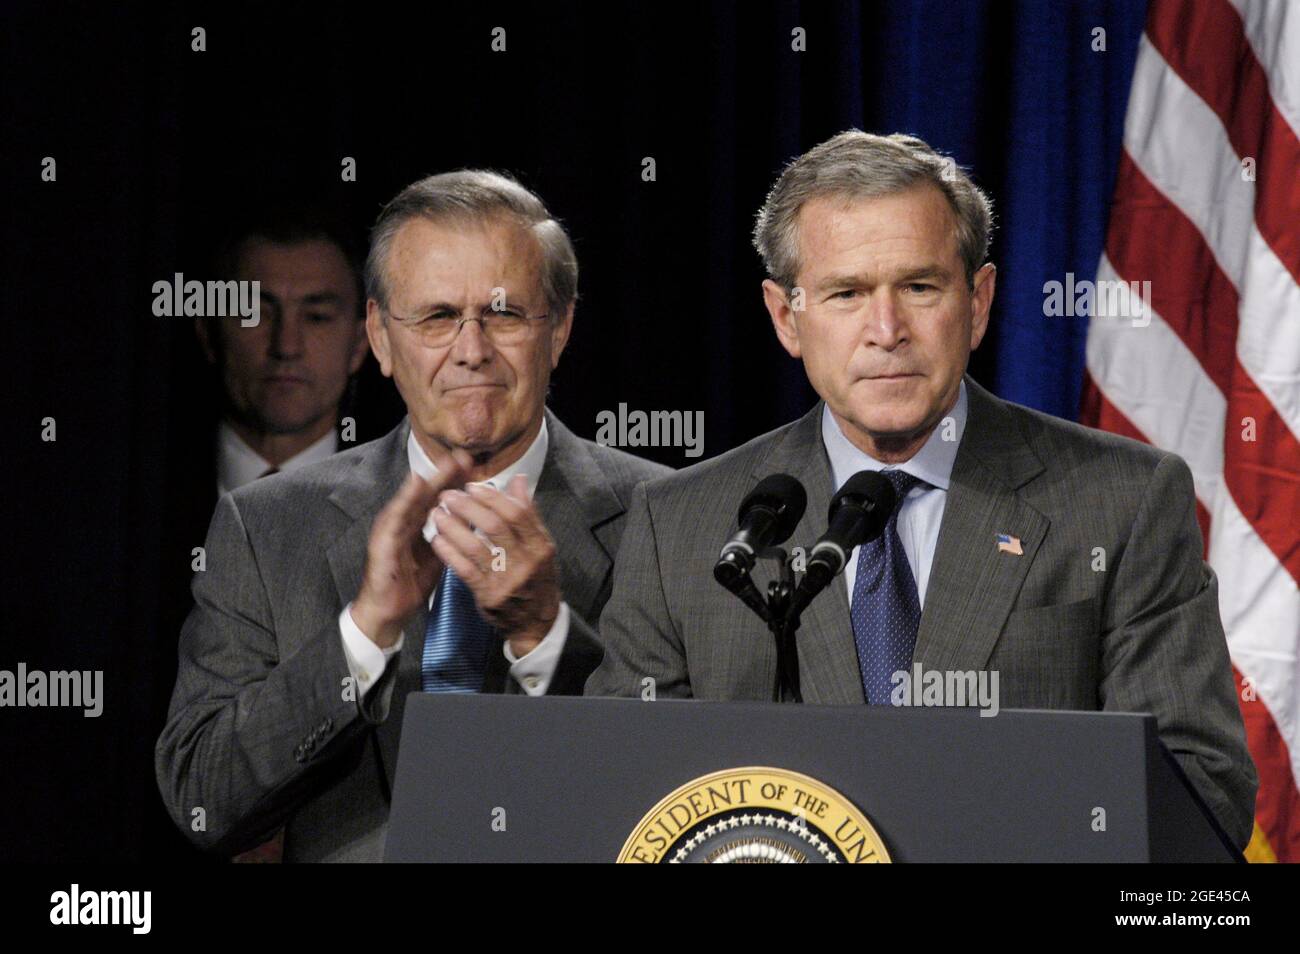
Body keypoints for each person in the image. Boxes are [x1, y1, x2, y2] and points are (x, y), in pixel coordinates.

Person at [585, 130, 1257, 851]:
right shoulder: (681, 527)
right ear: (787, 316)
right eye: (846, 293)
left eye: (919, 287)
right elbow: (626, 793)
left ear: (979, 300)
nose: (887, 330)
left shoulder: (1122, 501)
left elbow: (1199, 788)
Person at [156, 171, 670, 862]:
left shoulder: (667, 517)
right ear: (380, 337)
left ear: (560, 328)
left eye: (505, 314)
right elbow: (203, 798)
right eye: (436, 317)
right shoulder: (267, 527)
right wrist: (362, 635)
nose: (471, 348)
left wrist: (546, 639)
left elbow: (693, 790)